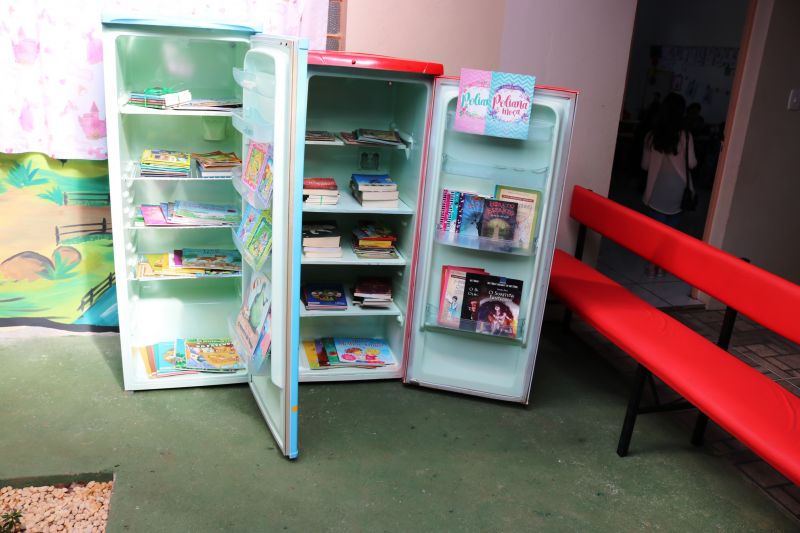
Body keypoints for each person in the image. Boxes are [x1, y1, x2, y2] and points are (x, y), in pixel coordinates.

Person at [641, 92, 697, 276]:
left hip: (657, 190)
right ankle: (663, 267)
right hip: (679, 191)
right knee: (671, 232)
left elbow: (645, 165)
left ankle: (652, 267)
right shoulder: (686, 136)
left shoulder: (651, 136)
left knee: (656, 233)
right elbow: (692, 163)